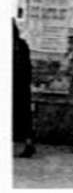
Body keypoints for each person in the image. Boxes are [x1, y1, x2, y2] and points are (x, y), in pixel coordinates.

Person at [13, 20, 36, 158]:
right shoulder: (21, 44)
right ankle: (28, 143)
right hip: (22, 85)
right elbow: (28, 67)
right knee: (24, 116)